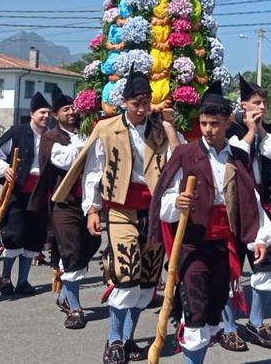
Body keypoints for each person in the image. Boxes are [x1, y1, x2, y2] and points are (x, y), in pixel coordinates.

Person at [55, 71, 178, 363]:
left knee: (147, 281)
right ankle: (113, 341)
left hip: (155, 211)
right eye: (136, 103)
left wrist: (170, 127)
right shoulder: (106, 128)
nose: (141, 109)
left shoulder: (161, 129)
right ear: (124, 102)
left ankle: (128, 338)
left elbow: (178, 161)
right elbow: (93, 172)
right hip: (121, 209)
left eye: (146, 103)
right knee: (126, 275)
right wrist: (92, 209)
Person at [153, 82, 271, 364]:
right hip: (192, 244)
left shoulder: (238, 156)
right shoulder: (185, 154)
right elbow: (164, 199)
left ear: (228, 122)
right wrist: (177, 203)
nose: (207, 129)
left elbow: (251, 200)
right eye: (204, 123)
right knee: (195, 311)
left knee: (211, 313)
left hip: (223, 246)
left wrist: (259, 237)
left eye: (214, 124)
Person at [219, 75, 271, 350]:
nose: (261, 107)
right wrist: (250, 130)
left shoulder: (270, 132)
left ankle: (255, 321)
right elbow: (233, 156)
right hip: (232, 209)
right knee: (229, 269)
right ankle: (229, 327)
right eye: (256, 102)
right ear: (243, 104)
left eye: (264, 102)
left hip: (260, 209)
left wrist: (261, 130)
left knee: (268, 267)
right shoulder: (229, 129)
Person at [31, 90, 102, 330]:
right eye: (65, 109)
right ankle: (75, 308)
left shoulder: (89, 132)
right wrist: (89, 139)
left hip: (89, 202)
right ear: (55, 115)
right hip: (63, 203)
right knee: (71, 251)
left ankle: (65, 296)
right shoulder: (50, 137)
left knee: (91, 244)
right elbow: (66, 160)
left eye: (74, 108)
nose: (71, 112)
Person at [0, 91, 53, 296]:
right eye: (42, 112)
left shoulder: (52, 136)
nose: (46, 116)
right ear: (32, 113)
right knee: (14, 235)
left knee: (33, 237)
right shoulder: (17, 132)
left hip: (40, 193)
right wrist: (5, 168)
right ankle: (5, 277)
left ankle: (23, 281)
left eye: (48, 113)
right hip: (17, 192)